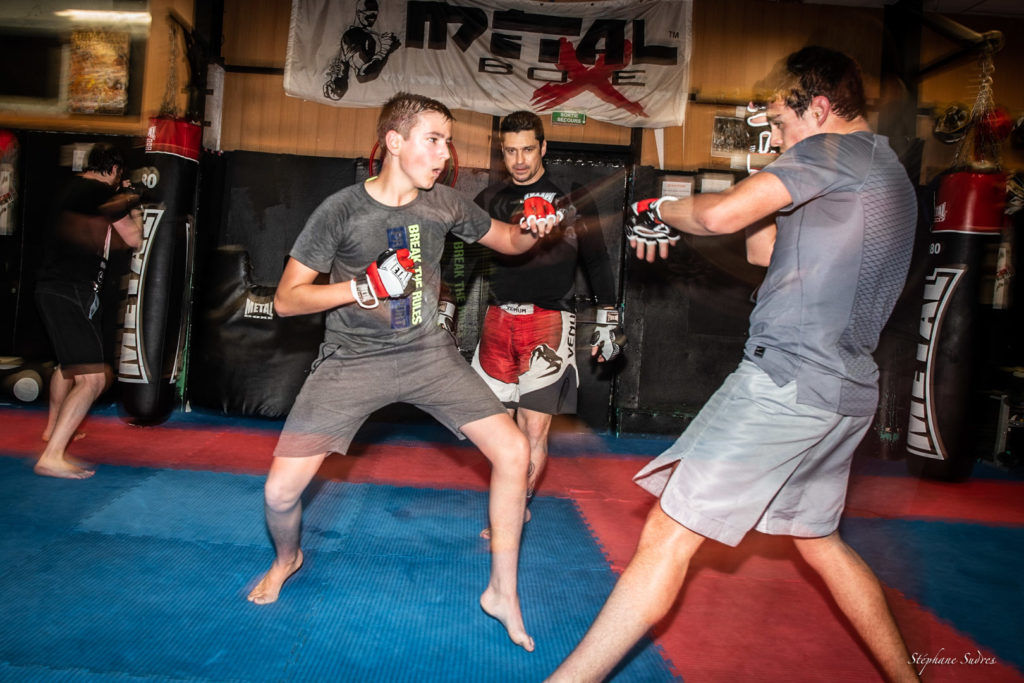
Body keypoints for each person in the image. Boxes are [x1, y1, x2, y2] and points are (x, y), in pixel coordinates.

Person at [546, 46, 921, 683]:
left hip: (787, 385)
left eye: (780, 121)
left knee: (667, 536)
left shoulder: (830, 152)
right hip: (843, 393)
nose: (775, 135)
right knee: (819, 542)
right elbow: (760, 248)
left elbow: (720, 215)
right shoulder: (881, 170)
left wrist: (656, 208)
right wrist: (773, 170)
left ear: (821, 106)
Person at [246, 92, 570, 653]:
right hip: (353, 360)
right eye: (434, 140)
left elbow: (508, 241)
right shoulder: (341, 210)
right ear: (394, 143)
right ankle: (288, 558)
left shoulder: (445, 204)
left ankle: (502, 592)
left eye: (448, 141)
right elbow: (285, 300)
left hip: (427, 356)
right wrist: (360, 287)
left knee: (514, 451)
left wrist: (536, 227)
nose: (446, 154)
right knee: (279, 495)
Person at [457, 110, 623, 537]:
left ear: (543, 147)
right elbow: (461, 256)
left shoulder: (569, 195)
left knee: (533, 428)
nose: (519, 160)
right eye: (510, 151)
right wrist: (446, 306)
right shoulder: (491, 200)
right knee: (499, 431)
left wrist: (608, 316)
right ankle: (512, 499)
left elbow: (596, 257)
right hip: (498, 319)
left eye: (528, 149)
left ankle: (512, 512)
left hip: (550, 321)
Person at [34, 143, 142, 479]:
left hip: (51, 288)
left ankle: (53, 429)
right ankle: (52, 456)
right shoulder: (101, 193)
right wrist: (132, 199)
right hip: (72, 292)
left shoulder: (71, 188)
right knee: (93, 378)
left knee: (69, 368)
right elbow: (134, 238)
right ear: (112, 171)